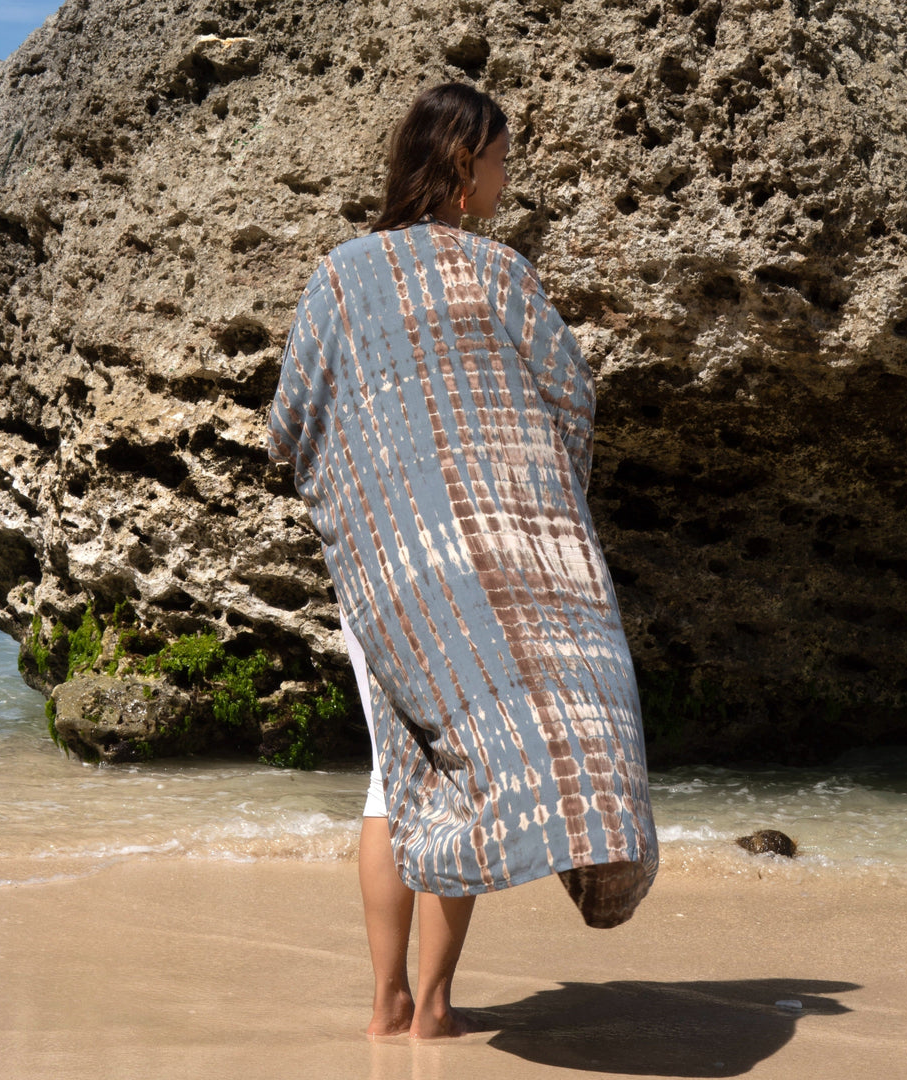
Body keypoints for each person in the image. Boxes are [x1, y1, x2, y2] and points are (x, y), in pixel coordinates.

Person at [266, 82, 658, 1040]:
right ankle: (434, 1006)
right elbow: (569, 400)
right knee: (466, 769)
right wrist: (532, 506)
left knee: (389, 779)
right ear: (460, 163)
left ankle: (386, 1004)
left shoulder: (340, 276)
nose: (505, 179)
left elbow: (292, 421)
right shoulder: (500, 274)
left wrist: (374, 492)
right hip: (502, 565)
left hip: (386, 577)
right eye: (500, 160)